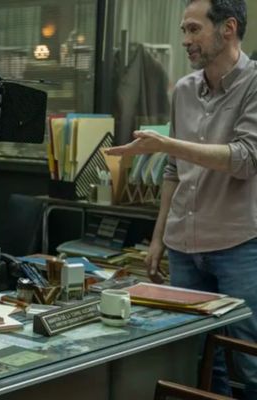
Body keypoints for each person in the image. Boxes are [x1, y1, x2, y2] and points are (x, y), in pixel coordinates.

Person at [106, 0, 257, 397]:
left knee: (247, 362)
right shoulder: (184, 90)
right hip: (183, 248)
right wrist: (158, 238)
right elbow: (173, 171)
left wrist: (167, 144)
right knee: (197, 363)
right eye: (183, 31)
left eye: (194, 29)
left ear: (228, 28)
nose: (186, 40)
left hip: (238, 246)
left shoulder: (254, 84)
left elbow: (245, 159)